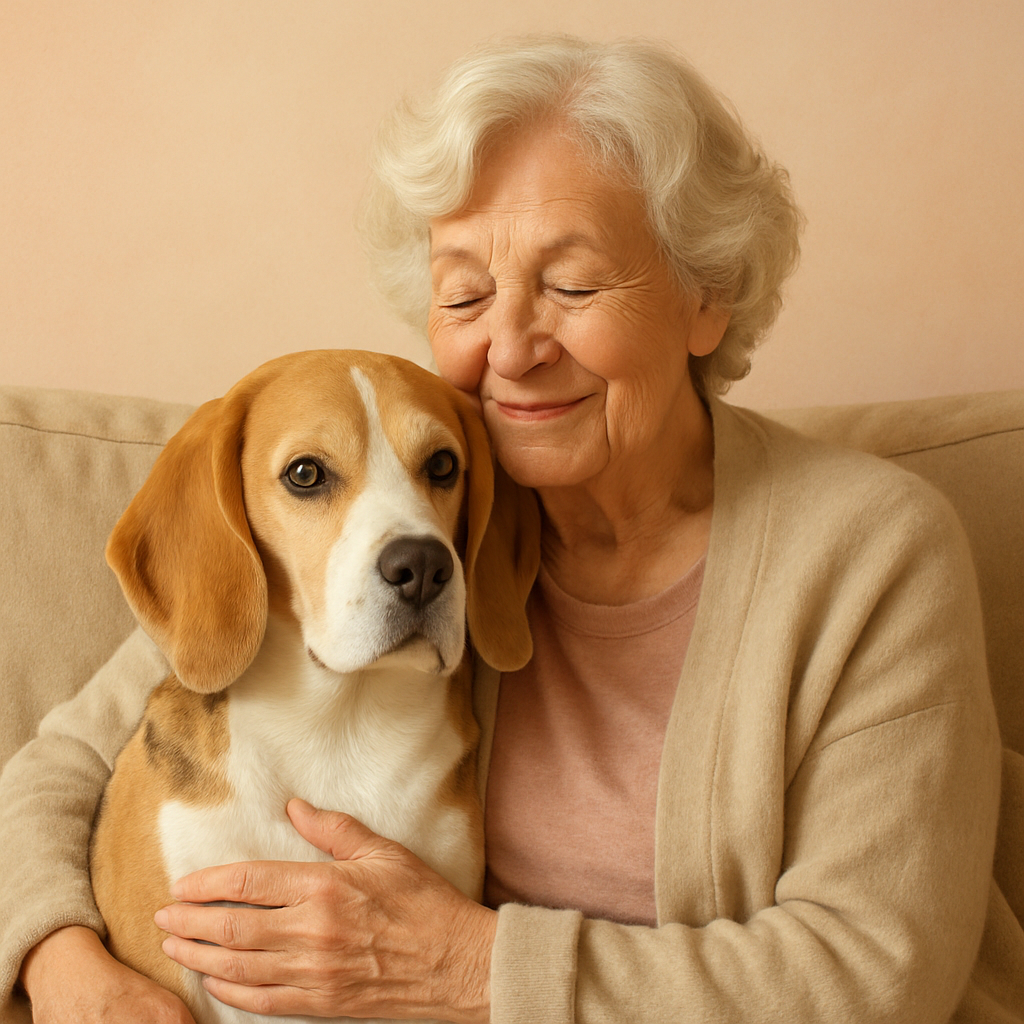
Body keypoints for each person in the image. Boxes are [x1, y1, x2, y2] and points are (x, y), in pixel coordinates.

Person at [3, 34, 1003, 1024]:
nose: (512, 348)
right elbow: (60, 767)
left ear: (709, 296)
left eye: (571, 286)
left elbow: (878, 973)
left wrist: (466, 966)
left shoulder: (872, 551)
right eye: (466, 294)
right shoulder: (420, 520)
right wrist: (61, 960)